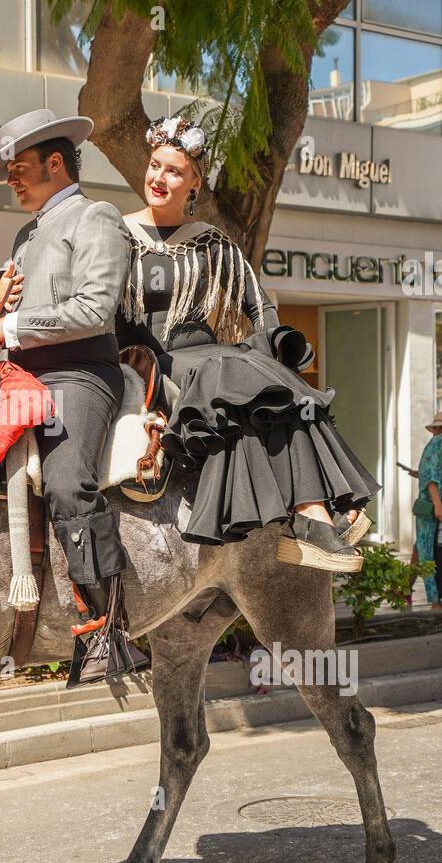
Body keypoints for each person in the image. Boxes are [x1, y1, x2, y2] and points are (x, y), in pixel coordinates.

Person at [114, 114, 378, 571]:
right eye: (155, 165)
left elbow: (259, 307)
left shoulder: (212, 243)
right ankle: (321, 514)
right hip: (148, 360)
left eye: (173, 170)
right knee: (232, 371)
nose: (158, 177)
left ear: (194, 184)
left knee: (265, 378)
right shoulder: (116, 234)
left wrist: (272, 352)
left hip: (207, 353)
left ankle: (313, 514)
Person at [0, 107, 149, 684]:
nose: (13, 181)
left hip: (78, 376)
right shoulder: (27, 235)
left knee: (70, 484)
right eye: (9, 173)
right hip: (19, 376)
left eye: (19, 169)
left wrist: (12, 328)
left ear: (55, 162)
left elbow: (94, 310)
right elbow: (15, 300)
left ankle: (107, 629)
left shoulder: (97, 217)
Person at [413, 412, 442, 610]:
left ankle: (403, 591)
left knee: (422, 550)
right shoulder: (438, 443)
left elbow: (430, 473)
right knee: (426, 553)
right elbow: (431, 478)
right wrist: (438, 504)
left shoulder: (436, 443)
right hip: (433, 507)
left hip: (433, 506)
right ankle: (434, 601)